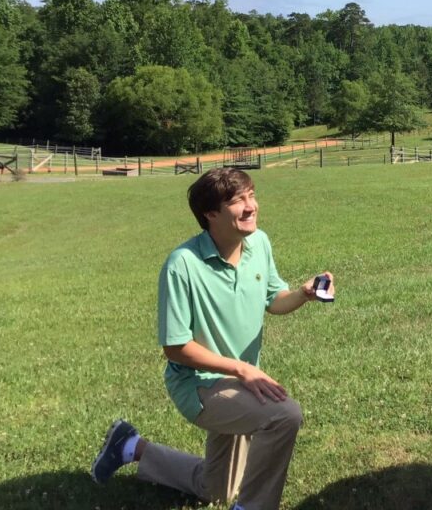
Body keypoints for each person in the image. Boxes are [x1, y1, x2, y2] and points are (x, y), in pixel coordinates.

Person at [90, 167, 335, 510]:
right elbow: (176, 347)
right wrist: (240, 370)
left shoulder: (258, 243)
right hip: (199, 385)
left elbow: (273, 299)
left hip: (238, 381)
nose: (251, 207)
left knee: (216, 490)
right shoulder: (182, 265)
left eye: (251, 196)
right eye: (237, 201)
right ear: (210, 214)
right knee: (284, 415)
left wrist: (302, 294)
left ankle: (131, 446)